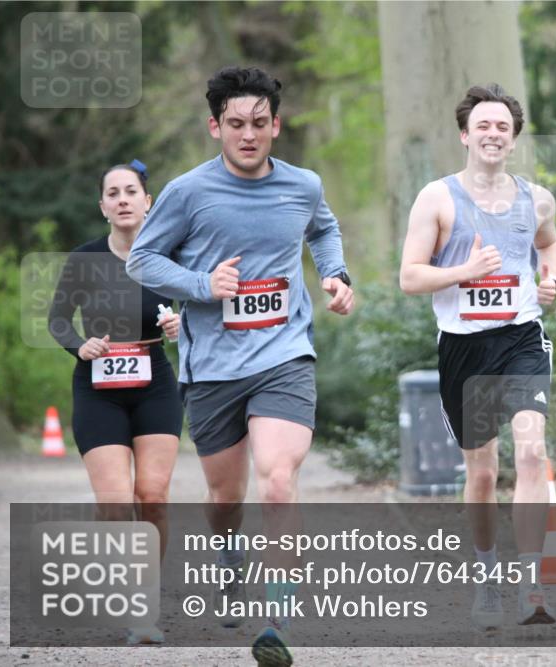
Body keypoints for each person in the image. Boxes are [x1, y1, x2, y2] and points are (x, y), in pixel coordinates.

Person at [126, 66, 353, 666]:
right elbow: (142, 260)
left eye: (259, 123)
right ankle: (231, 564)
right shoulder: (187, 192)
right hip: (214, 369)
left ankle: (276, 619)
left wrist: (336, 274)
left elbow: (324, 229)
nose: (248, 135)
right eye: (235, 124)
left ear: (276, 125)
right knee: (225, 498)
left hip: (284, 355)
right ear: (214, 127)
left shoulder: (302, 185)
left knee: (278, 479)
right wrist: (203, 284)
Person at [399, 83, 556, 629]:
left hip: (521, 338)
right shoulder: (437, 198)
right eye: (484, 126)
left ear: (513, 140)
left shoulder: (536, 198)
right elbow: (409, 277)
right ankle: (487, 573)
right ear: (465, 136)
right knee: (484, 474)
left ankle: (532, 584)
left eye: (504, 128)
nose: (494, 134)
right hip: (464, 348)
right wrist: (463, 273)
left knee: (533, 451)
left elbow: (548, 242)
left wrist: (550, 277)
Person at [48, 159, 183, 645]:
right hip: (97, 388)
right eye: (113, 193)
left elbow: (196, 305)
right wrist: (77, 345)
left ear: (149, 201)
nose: (123, 199)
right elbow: (59, 320)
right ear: (103, 206)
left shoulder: (169, 256)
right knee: (114, 502)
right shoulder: (85, 260)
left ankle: (144, 604)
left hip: (155, 384)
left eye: (132, 191)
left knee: (152, 495)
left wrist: (178, 323)